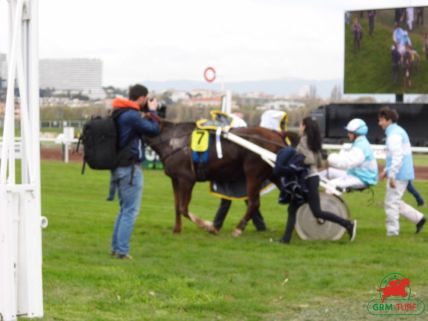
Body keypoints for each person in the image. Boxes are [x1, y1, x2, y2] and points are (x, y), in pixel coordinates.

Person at [280, 117, 357, 243]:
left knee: (317, 212)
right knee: (293, 209)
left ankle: (348, 224)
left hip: (308, 180)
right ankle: (285, 239)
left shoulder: (304, 140)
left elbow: (310, 160)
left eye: (300, 124)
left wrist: (294, 159)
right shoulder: (313, 141)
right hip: (311, 178)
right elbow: (319, 162)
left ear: (304, 126)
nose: (299, 127)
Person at [110, 84, 161, 259]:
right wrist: (153, 112)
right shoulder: (131, 115)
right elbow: (154, 130)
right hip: (130, 168)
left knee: (124, 209)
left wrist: (144, 115)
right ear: (142, 98)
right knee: (130, 211)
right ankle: (122, 251)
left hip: (119, 166)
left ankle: (116, 248)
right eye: (146, 100)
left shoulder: (121, 112)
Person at [211, 111, 267, 232]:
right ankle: (260, 225)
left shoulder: (236, 135)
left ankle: (216, 225)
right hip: (235, 172)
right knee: (246, 199)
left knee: (231, 198)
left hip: (234, 172)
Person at [377, 107, 426, 236]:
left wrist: (391, 175)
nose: (379, 123)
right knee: (394, 201)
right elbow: (394, 156)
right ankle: (419, 218)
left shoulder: (394, 135)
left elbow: (397, 157)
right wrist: (386, 171)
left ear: (389, 120)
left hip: (399, 174)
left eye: (381, 120)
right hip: (401, 173)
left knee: (391, 203)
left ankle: (392, 232)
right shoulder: (397, 132)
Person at [320, 118, 378, 191]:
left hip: (362, 179)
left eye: (350, 132)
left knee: (331, 184)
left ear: (357, 133)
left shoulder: (360, 147)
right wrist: (329, 154)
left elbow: (346, 163)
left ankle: (328, 202)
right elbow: (346, 157)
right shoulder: (359, 143)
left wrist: (328, 157)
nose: (348, 134)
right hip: (356, 174)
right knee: (328, 172)